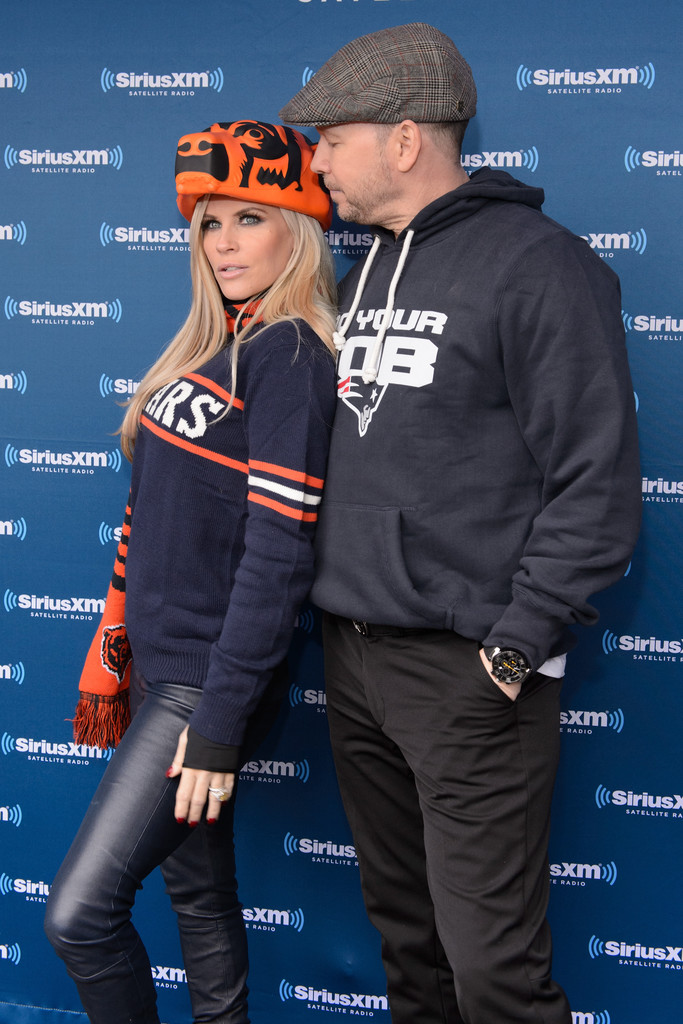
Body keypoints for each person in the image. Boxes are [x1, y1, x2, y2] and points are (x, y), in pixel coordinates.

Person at [280, 22, 641, 1024]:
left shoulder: (537, 266)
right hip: (352, 658)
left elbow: (594, 481)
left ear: (404, 141)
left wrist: (512, 650)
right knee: (411, 950)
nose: (315, 164)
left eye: (330, 141)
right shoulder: (361, 275)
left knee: (492, 976)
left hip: (468, 669)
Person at [44, 119, 337, 1024]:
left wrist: (214, 721)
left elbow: (280, 552)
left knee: (79, 918)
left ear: (300, 229)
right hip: (159, 671)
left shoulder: (288, 353)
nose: (224, 243)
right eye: (210, 223)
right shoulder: (211, 349)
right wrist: (118, 649)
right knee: (198, 896)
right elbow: (148, 518)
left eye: (250, 218)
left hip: (202, 684)